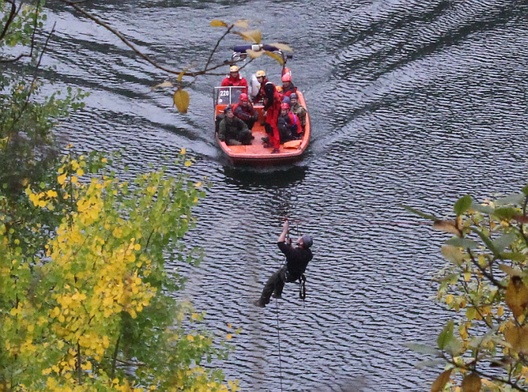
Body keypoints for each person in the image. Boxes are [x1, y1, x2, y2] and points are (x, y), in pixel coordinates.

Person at [254, 219, 313, 308]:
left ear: (301, 243)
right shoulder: (308, 254)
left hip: (287, 275)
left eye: (301, 238)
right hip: (295, 275)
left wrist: (285, 230)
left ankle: (262, 302)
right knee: (279, 277)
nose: (299, 237)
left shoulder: (294, 253)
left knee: (271, 282)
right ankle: (277, 294)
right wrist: (289, 245)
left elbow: (280, 243)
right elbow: (295, 255)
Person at [262, 82, 282, 153]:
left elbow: (270, 99)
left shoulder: (268, 87)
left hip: (275, 109)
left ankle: (276, 147)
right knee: (267, 125)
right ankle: (271, 141)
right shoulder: (264, 86)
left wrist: (265, 108)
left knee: (274, 127)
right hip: (270, 108)